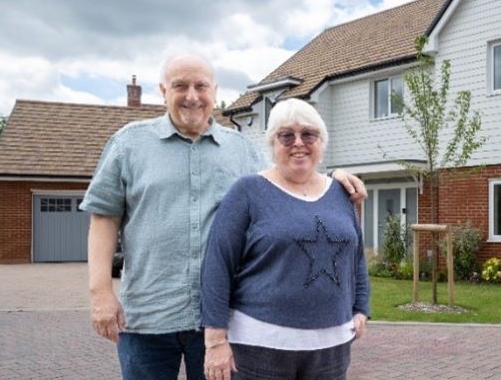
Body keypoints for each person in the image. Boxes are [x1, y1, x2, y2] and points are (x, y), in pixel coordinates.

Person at [81, 55, 366, 380]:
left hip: (221, 320)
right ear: (163, 91)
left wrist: (336, 177)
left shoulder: (241, 150)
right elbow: (103, 218)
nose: (192, 95)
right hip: (148, 316)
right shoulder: (129, 144)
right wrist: (100, 292)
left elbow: (288, 176)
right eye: (180, 86)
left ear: (214, 91)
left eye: (201, 86)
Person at [200, 98, 370, 380]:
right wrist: (215, 340)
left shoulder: (341, 193)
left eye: (308, 134)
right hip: (259, 348)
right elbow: (217, 265)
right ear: (272, 144)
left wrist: (362, 306)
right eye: (286, 135)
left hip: (331, 348)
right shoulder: (248, 191)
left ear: (321, 141)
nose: (298, 143)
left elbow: (356, 258)